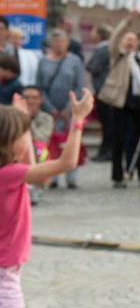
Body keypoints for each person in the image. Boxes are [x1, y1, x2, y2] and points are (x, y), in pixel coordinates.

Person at [0, 87, 93, 308]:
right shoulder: (10, 174)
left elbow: (38, 167)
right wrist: (79, 121)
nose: (31, 138)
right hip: (3, 274)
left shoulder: (11, 171)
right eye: (25, 133)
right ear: (11, 144)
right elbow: (65, 164)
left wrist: (16, 113)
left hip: (7, 271)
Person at [99, 11, 140, 189]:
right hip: (120, 102)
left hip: (139, 102)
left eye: (133, 40)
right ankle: (118, 176)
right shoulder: (118, 55)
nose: (130, 42)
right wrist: (126, 22)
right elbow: (114, 38)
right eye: (127, 39)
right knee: (119, 140)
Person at [36, 30, 86, 189]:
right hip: (49, 111)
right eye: (56, 41)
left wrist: (68, 107)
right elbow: (39, 88)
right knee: (51, 143)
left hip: (70, 110)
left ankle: (72, 177)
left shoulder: (75, 61)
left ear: (67, 43)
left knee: (70, 141)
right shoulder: (43, 62)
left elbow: (79, 85)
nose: (59, 44)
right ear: (50, 44)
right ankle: (53, 176)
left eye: (62, 41)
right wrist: (49, 108)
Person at [18, 87, 52, 206]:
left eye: (34, 98)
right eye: (26, 97)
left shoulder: (47, 118)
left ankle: (36, 187)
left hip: (36, 150)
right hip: (16, 149)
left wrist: (26, 119)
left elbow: (41, 138)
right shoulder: (11, 116)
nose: (30, 101)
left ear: (41, 100)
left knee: (39, 149)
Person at [85, 25, 114, 161]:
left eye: (93, 31)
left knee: (107, 124)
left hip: (104, 91)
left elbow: (92, 66)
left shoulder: (103, 49)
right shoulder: (103, 48)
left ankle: (106, 152)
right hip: (103, 90)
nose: (91, 34)